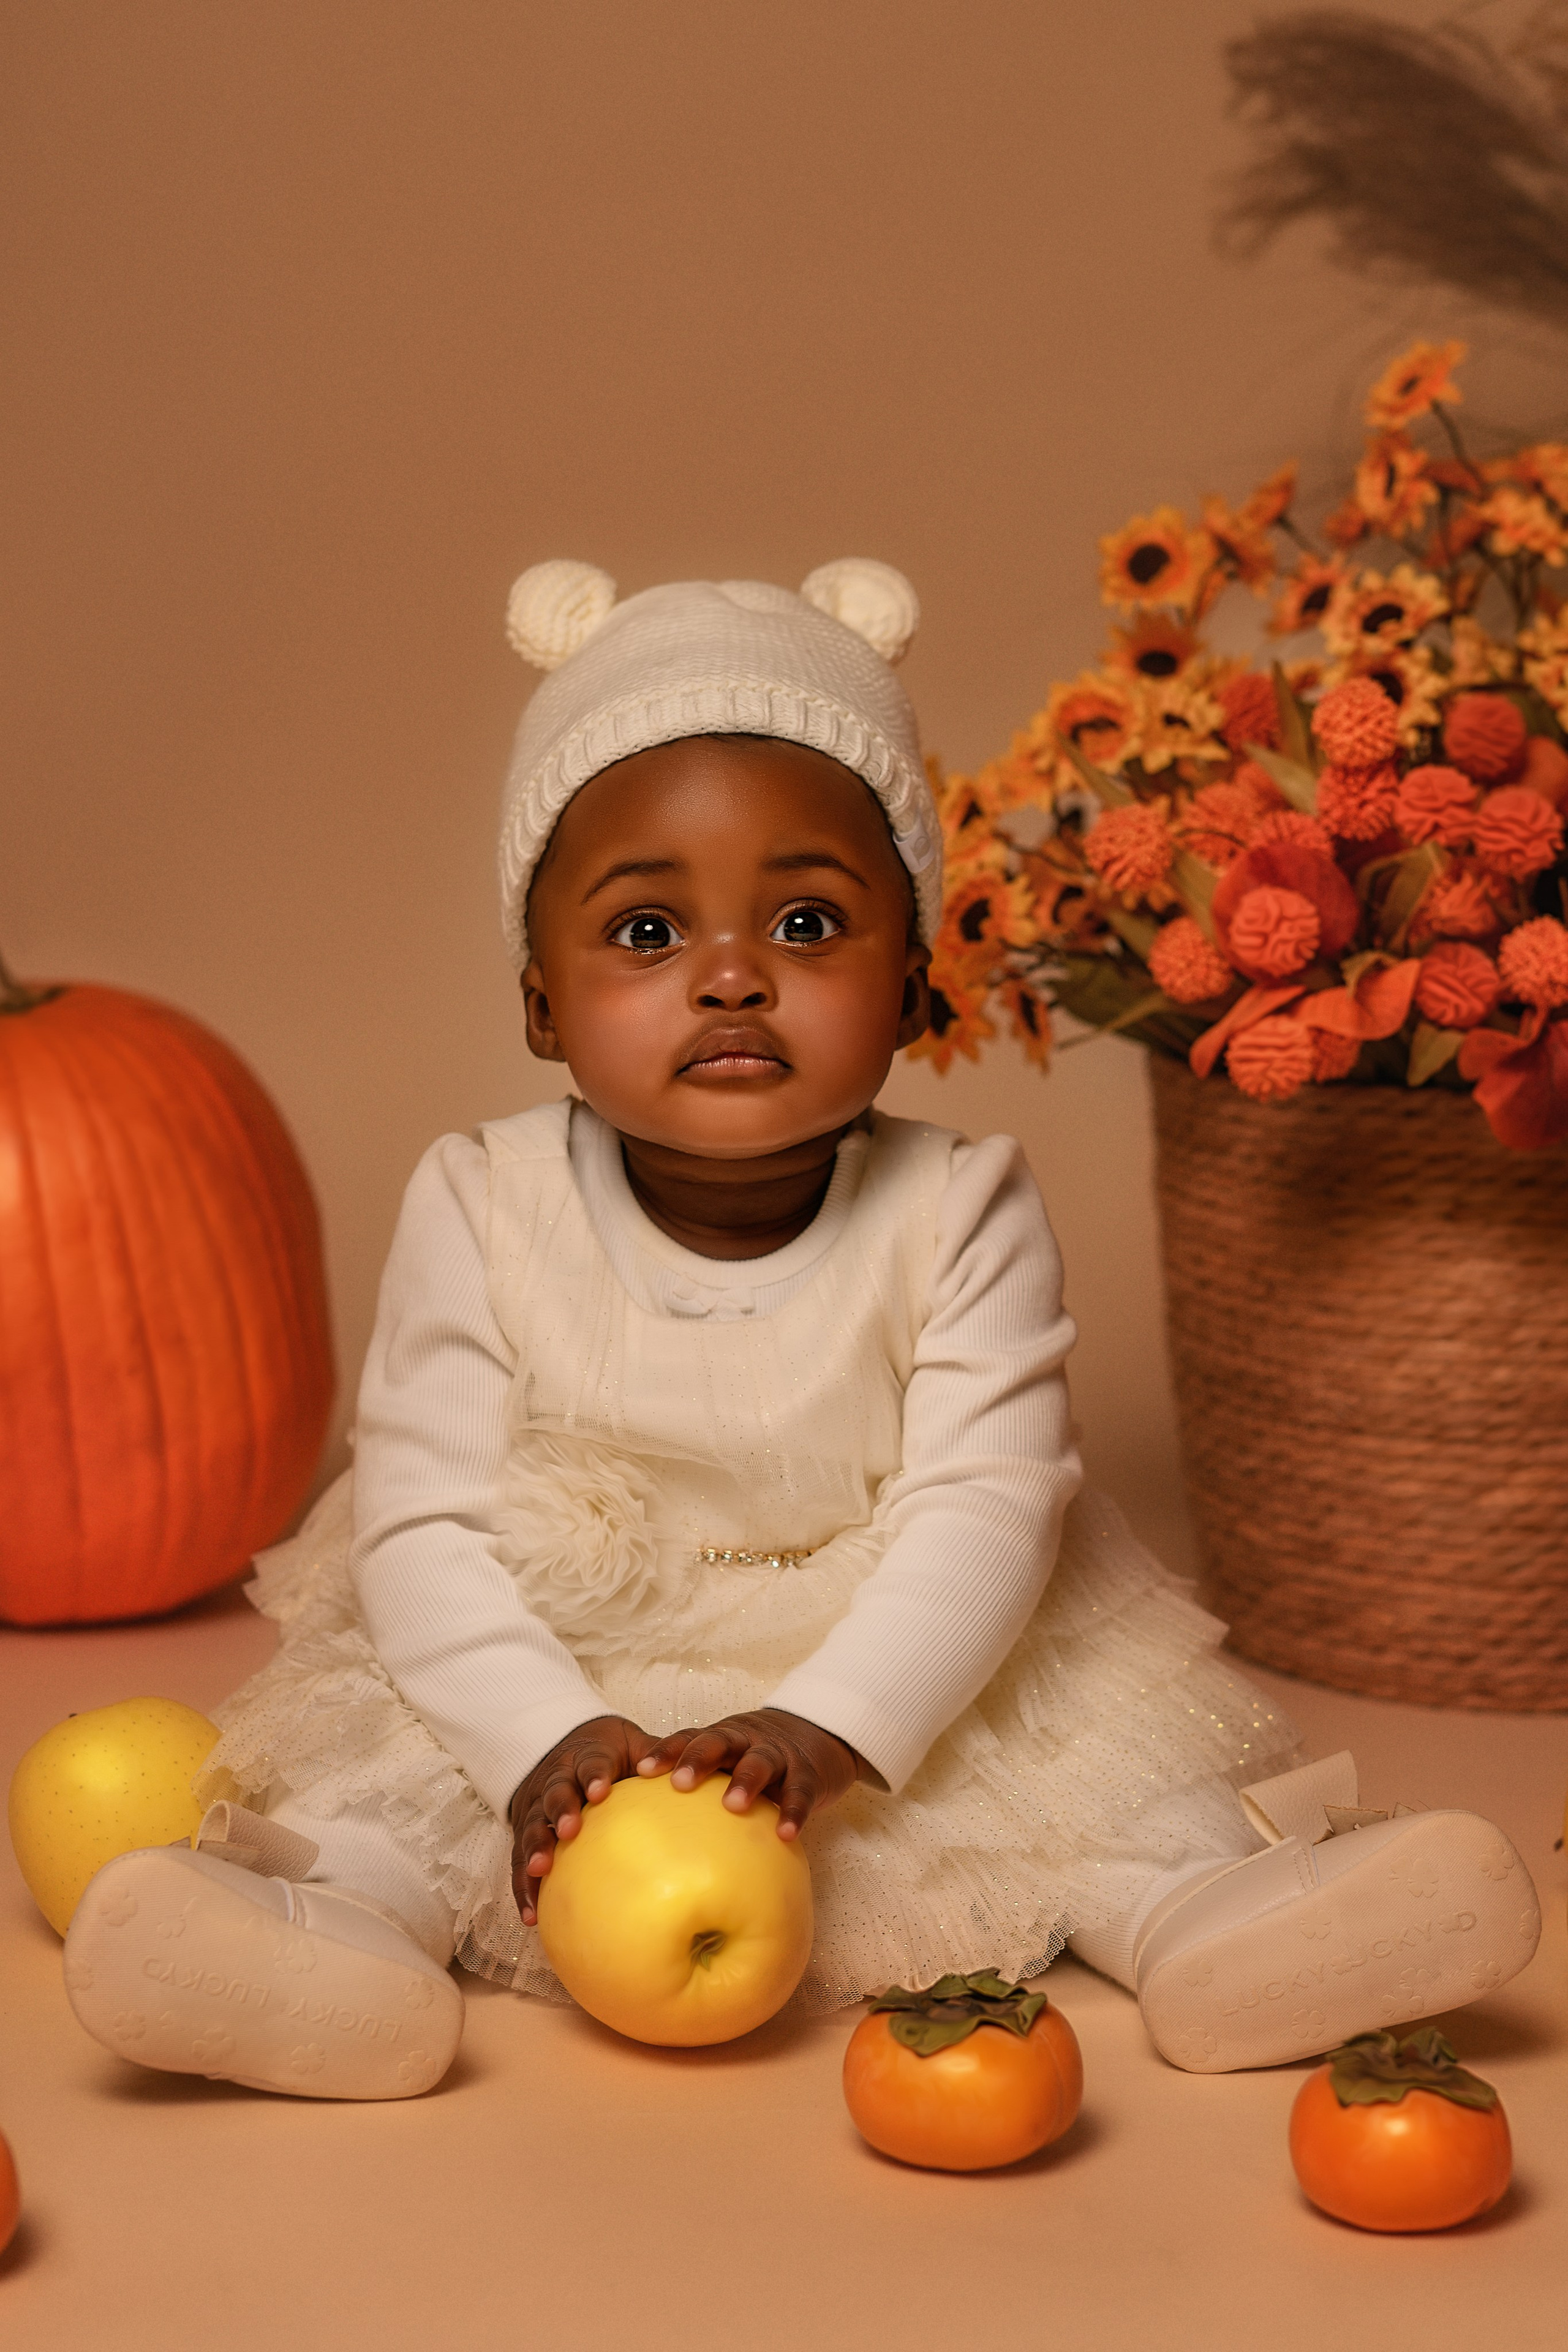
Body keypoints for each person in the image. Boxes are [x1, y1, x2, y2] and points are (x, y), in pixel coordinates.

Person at [64, 560, 1540, 2099]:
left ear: (909, 990)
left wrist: (830, 1725)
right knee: (404, 1789)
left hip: (886, 1638)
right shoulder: (481, 1197)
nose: (727, 973)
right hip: (561, 1638)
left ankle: (1223, 1917)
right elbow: (425, 1522)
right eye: (644, 932)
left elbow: (981, 1505)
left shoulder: (960, 1203)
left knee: (1078, 1779)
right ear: (539, 1006)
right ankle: (324, 1940)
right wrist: (537, 1742)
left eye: (807, 918)